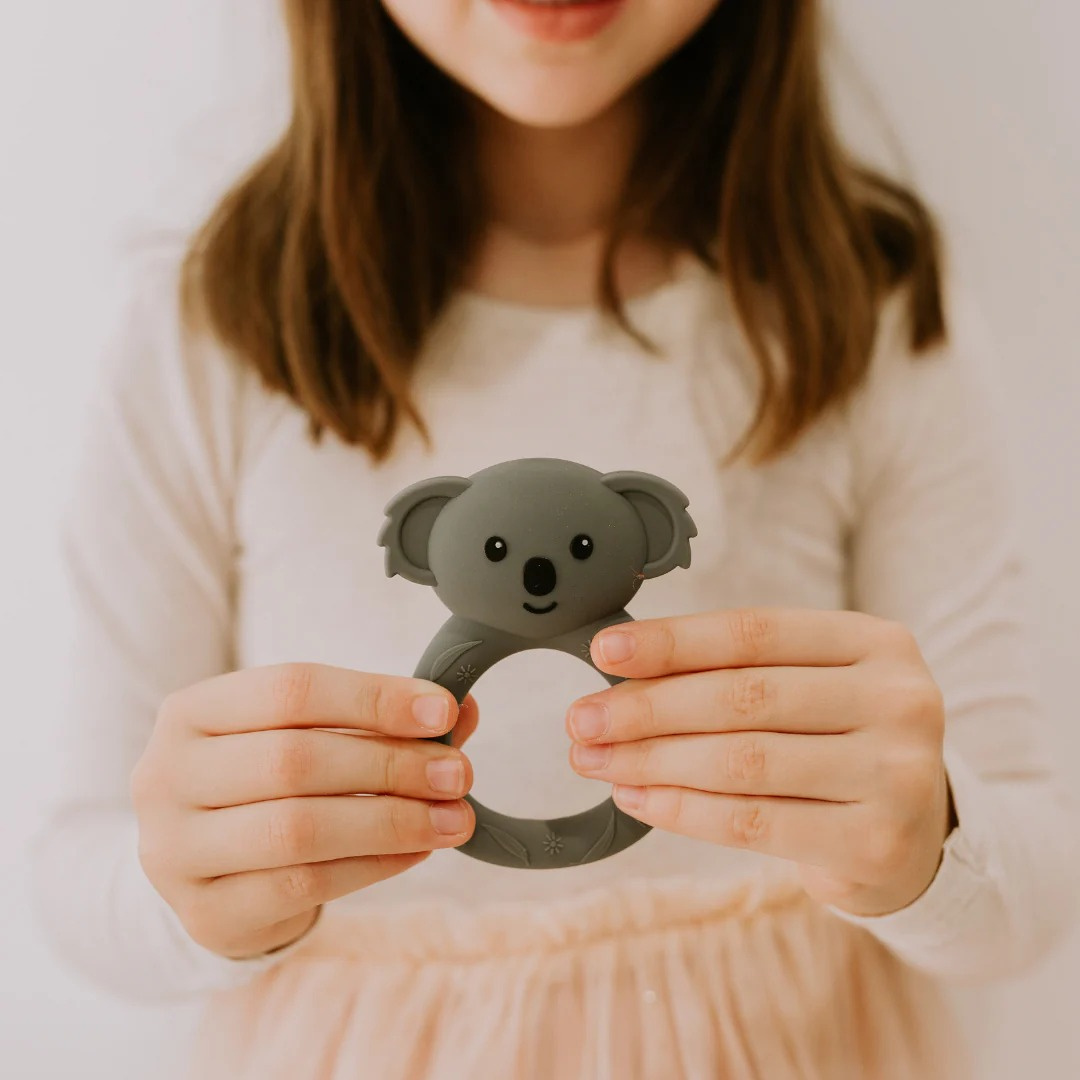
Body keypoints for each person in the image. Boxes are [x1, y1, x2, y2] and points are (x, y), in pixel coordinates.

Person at [30, 1, 1079, 1077]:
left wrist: (924, 840)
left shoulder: (868, 302)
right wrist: (194, 887)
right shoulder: (208, 327)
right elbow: (74, 869)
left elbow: (1034, 885)